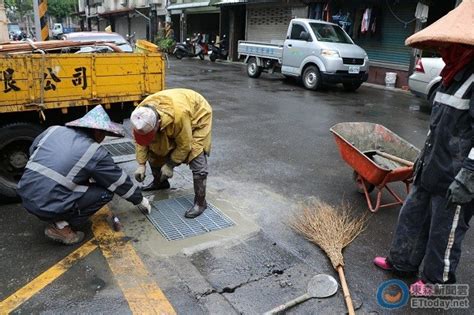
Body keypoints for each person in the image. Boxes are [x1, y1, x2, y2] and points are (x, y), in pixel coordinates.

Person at [373, 0, 473, 295]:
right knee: (412, 216)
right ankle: (402, 262)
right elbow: (439, 128)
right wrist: (422, 160)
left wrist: (468, 175)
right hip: (432, 168)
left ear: (464, 49)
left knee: (445, 232)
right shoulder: (450, 77)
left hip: (457, 177)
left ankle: (435, 281)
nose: (444, 53)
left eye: (450, 48)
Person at [18, 105, 152, 245]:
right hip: (46, 203)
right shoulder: (94, 151)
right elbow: (118, 181)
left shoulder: (54, 130)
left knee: (76, 183)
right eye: (104, 135)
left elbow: (33, 150)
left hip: (26, 192)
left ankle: (56, 214)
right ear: (97, 132)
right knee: (105, 192)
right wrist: (140, 200)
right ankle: (62, 227)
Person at [130, 89, 212, 219]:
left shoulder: (179, 116)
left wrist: (170, 164)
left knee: (196, 153)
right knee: (155, 147)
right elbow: (140, 141)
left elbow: (185, 145)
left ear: (158, 124)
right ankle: (160, 183)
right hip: (174, 110)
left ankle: (201, 203)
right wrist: (141, 164)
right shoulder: (139, 115)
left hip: (197, 112)